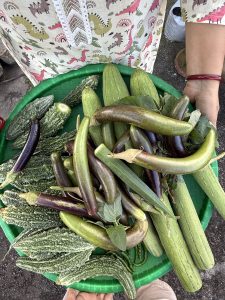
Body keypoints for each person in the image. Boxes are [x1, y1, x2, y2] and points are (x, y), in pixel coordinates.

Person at [0, 1, 224, 299]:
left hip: (127, 42)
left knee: (149, 171)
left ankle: (146, 282)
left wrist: (205, 80)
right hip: (45, 57)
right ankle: (147, 282)